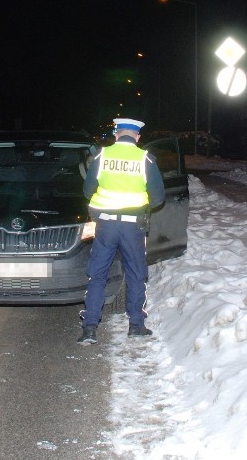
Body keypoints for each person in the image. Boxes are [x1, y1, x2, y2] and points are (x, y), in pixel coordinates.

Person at [77, 118, 165, 345]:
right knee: (136, 274)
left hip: (105, 225)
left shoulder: (101, 156)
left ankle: (89, 329)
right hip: (133, 226)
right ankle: (136, 325)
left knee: (98, 275)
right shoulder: (145, 159)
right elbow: (158, 198)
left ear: (116, 135)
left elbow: (88, 190)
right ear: (137, 137)